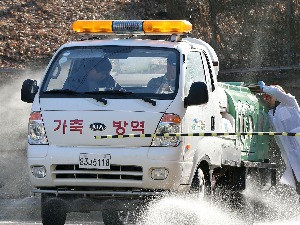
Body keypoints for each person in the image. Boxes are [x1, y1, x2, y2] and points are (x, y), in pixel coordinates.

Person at [258, 80, 300, 199]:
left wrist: (265, 88)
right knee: (298, 188)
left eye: (268, 96)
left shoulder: (290, 103)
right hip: (291, 158)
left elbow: (277, 92)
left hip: (299, 151)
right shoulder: (271, 114)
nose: (266, 99)